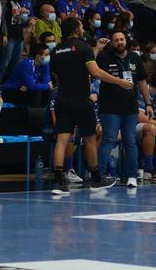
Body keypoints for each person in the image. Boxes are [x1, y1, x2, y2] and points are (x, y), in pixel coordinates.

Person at [48, 17, 122, 195]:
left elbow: (58, 71)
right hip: (81, 100)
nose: (83, 29)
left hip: (62, 99)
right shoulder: (84, 47)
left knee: (61, 141)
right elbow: (95, 72)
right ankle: (96, 178)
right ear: (76, 29)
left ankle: (58, 183)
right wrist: (119, 81)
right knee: (89, 139)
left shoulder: (56, 50)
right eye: (81, 26)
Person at [95, 31, 147, 187]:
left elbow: (142, 82)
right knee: (109, 139)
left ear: (126, 41)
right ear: (112, 42)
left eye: (122, 39)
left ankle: (132, 175)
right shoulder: (104, 57)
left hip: (130, 108)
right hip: (110, 107)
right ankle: (99, 175)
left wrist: (148, 103)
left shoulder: (135, 57)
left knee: (130, 140)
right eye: (116, 40)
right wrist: (97, 48)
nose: (119, 42)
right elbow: (92, 68)